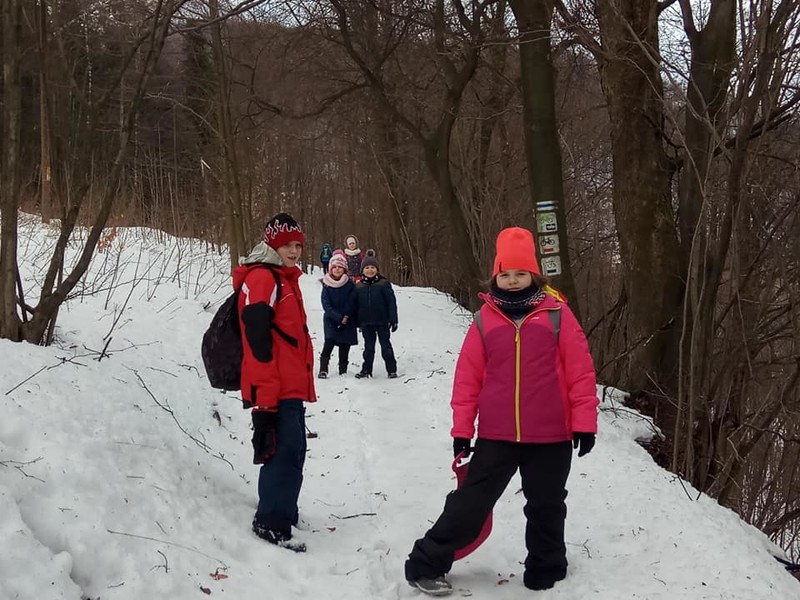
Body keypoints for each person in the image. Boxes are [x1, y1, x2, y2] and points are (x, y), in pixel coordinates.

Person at [404, 227, 598, 596]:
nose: (512, 281)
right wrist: (462, 430)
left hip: (552, 434)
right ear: (495, 276)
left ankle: (547, 565)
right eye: (505, 274)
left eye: (520, 274)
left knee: (547, 504)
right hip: (497, 434)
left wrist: (585, 423)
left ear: (534, 275)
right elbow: (467, 380)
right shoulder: (484, 320)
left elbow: (581, 372)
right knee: (470, 502)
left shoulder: (558, 316)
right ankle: (425, 562)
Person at [232, 212, 315, 551]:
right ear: (272, 244)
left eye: (297, 244)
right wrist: (265, 398)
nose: (294, 251)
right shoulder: (264, 279)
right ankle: (271, 523)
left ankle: (285, 511)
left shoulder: (284, 278)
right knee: (281, 452)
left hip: (291, 386)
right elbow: (258, 345)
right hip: (274, 387)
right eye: (287, 245)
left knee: (294, 450)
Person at [351, 252, 399, 379]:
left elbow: (391, 302)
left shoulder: (384, 284)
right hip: (366, 323)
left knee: (385, 346)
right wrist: (356, 321)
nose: (370, 270)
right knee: (368, 348)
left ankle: (391, 369)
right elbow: (354, 306)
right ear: (362, 270)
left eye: (372, 267)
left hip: (382, 321)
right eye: (367, 268)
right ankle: (366, 370)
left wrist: (393, 320)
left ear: (377, 269)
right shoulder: (359, 286)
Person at [319, 253, 357, 378]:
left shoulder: (350, 285)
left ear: (344, 269)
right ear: (330, 269)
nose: (337, 269)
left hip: (348, 319)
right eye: (334, 267)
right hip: (331, 319)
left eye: (340, 267)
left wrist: (346, 316)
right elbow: (326, 305)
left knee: (344, 346)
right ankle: (323, 369)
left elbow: (352, 301)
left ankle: (343, 370)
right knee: (328, 343)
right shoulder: (326, 285)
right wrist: (338, 317)